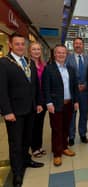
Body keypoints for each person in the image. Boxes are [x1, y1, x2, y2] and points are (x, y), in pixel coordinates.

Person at [0, 33, 44, 187]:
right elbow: (2, 90)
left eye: (22, 44)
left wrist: (38, 102)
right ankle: (17, 173)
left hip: (30, 109)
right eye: (17, 44)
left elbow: (34, 85)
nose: (20, 46)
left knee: (27, 140)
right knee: (16, 143)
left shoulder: (29, 62)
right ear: (10, 45)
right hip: (14, 112)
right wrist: (6, 111)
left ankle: (26, 160)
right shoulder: (4, 63)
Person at [42, 44, 79, 166]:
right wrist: (48, 103)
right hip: (56, 105)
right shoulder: (49, 68)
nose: (61, 55)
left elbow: (75, 87)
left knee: (66, 128)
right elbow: (45, 88)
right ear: (54, 54)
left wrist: (76, 101)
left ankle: (64, 147)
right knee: (57, 129)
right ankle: (57, 154)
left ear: (66, 54)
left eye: (63, 53)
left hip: (69, 104)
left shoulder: (71, 69)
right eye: (59, 52)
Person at [66, 37, 88, 146]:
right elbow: (66, 76)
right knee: (72, 115)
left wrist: (85, 85)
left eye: (80, 43)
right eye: (76, 43)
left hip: (85, 92)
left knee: (84, 114)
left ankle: (83, 134)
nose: (78, 45)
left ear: (83, 45)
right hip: (72, 92)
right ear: (73, 45)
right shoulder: (67, 58)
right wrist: (76, 86)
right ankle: (71, 136)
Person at [29, 42, 47, 158]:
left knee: (40, 124)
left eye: (38, 49)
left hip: (43, 99)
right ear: (29, 51)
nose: (36, 51)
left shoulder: (43, 65)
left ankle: (39, 146)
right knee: (32, 125)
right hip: (32, 100)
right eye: (34, 49)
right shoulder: (26, 64)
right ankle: (34, 148)